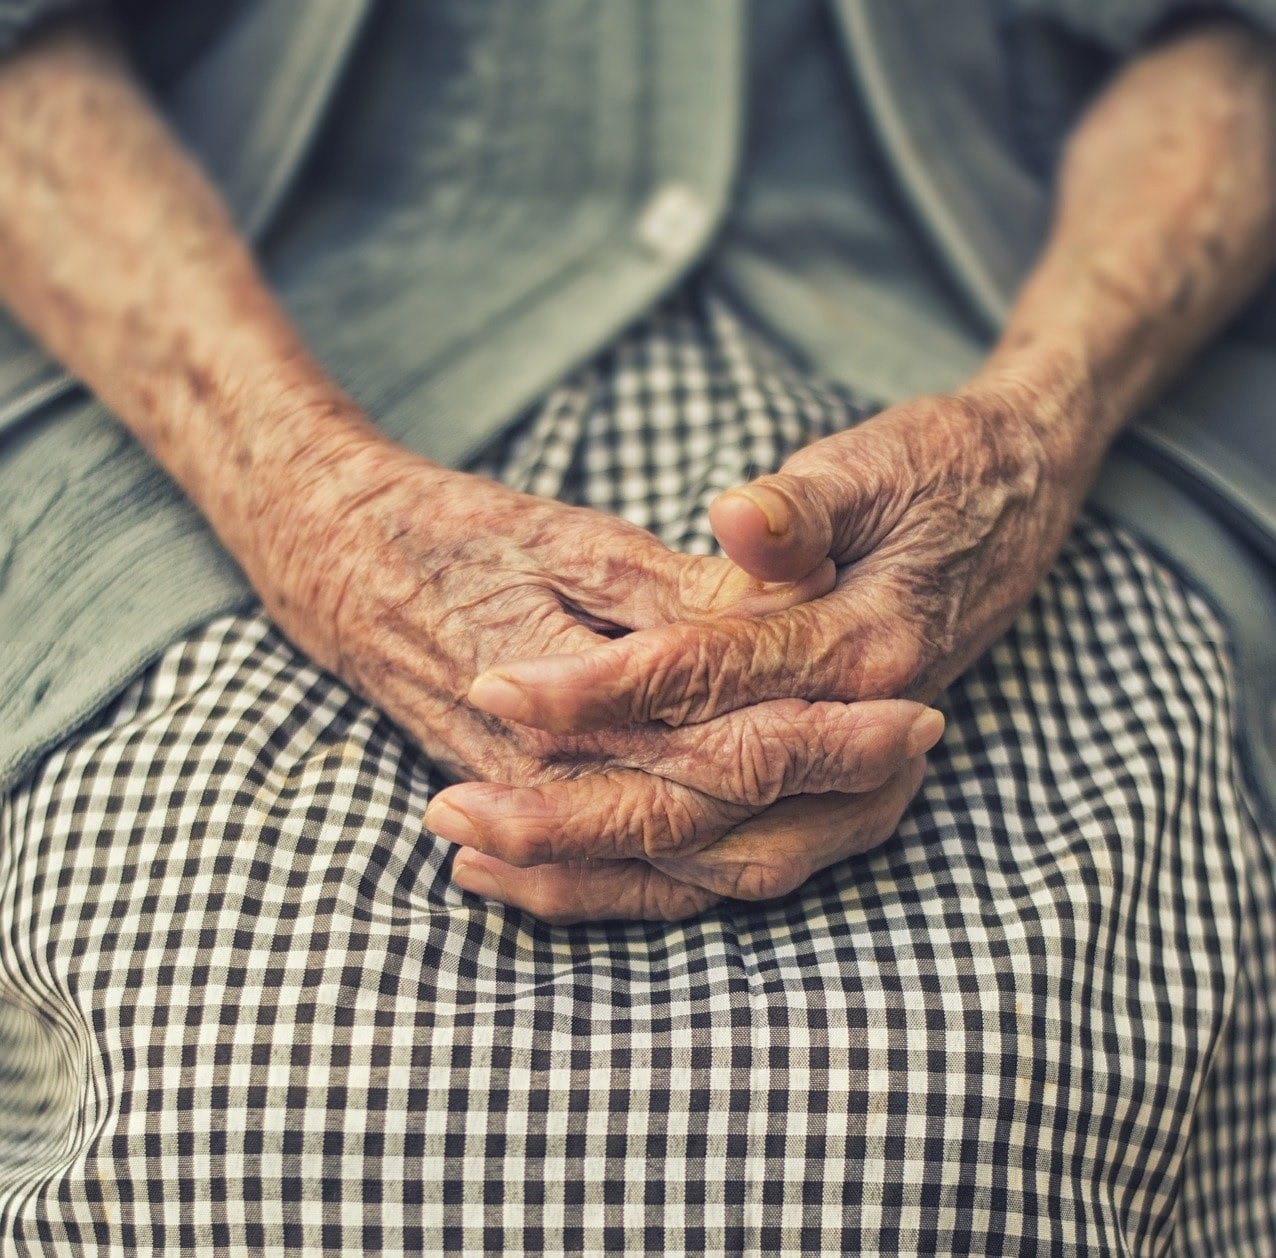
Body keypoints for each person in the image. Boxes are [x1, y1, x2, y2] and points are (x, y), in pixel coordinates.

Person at [0, 0, 1273, 1252]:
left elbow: (1235, 52)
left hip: (1012, 371)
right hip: (229, 390)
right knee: (233, 1103)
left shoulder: (1021, 444)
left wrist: (1037, 429)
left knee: (972, 1107)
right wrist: (307, 497)